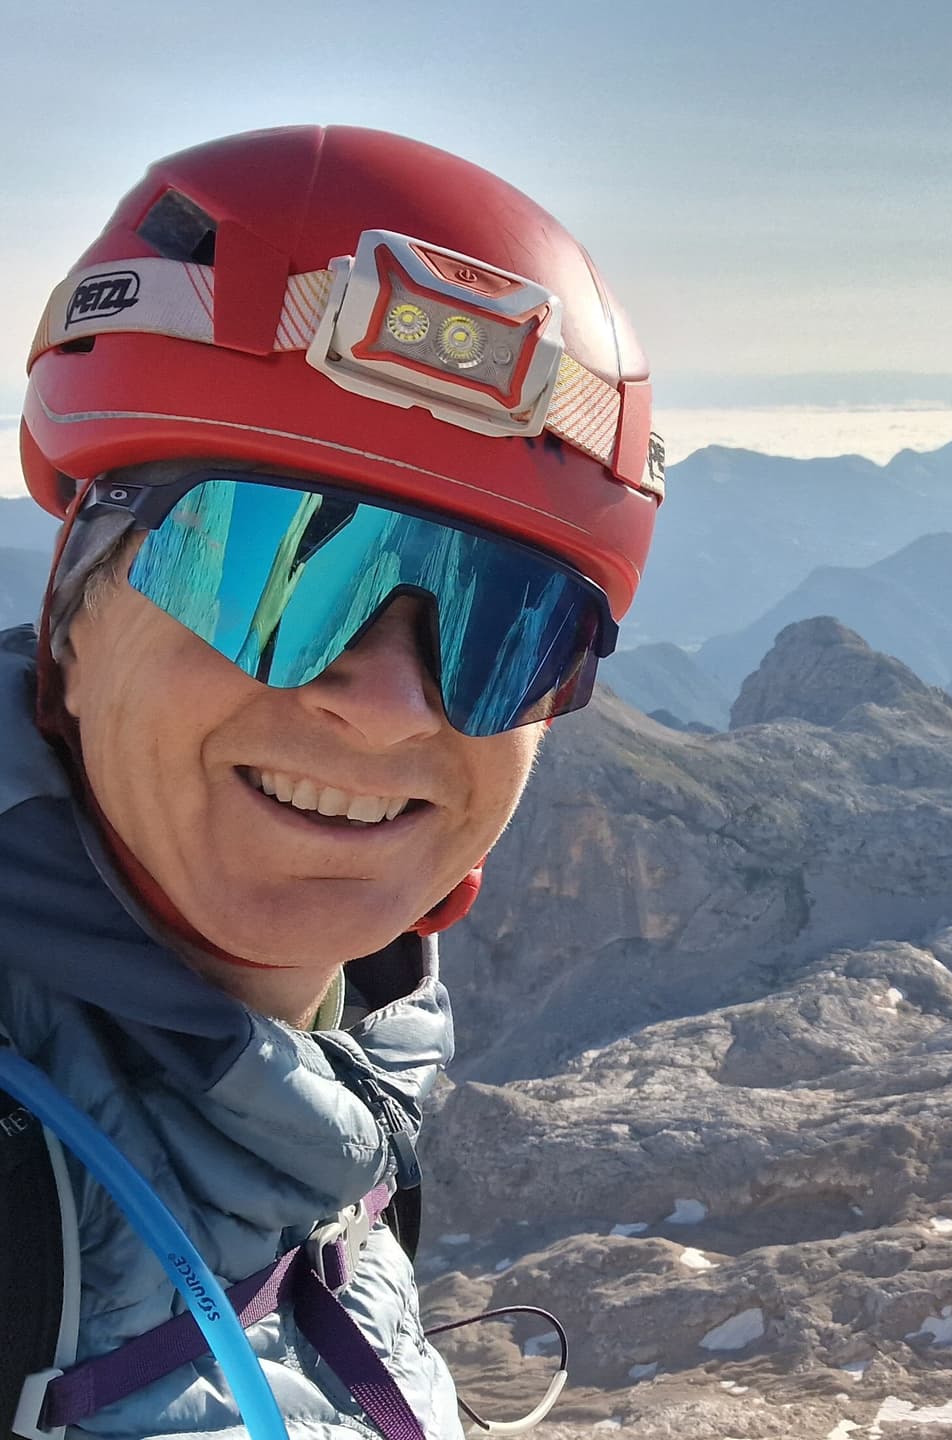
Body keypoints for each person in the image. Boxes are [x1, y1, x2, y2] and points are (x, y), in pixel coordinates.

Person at [0, 126, 663, 1439]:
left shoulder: (347, 1108)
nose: (387, 709)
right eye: (268, 571)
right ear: (74, 616)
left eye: (502, 627)